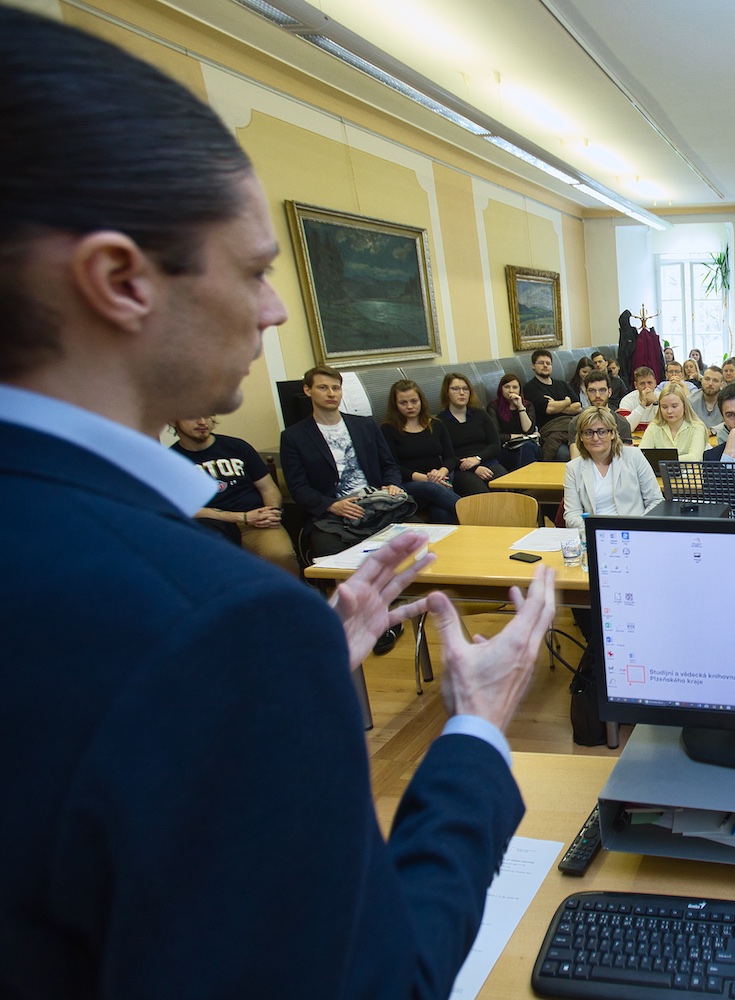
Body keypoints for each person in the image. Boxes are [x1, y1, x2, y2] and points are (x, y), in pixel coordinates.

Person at [0, 10, 554, 994]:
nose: (276, 311)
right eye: (255, 269)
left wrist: (288, 690)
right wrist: (472, 725)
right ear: (120, 280)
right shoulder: (224, 632)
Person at [283, 366, 415, 558]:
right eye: (323, 388)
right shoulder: (293, 437)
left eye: (336, 388)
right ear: (307, 390)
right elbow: (298, 488)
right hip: (333, 514)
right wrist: (331, 505)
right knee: (329, 553)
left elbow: (389, 465)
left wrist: (392, 485)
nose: (331, 394)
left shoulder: (365, 425)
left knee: (421, 537)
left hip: (377, 504)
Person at [169, 415, 298, 576]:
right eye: (193, 416)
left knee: (280, 555)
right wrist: (241, 517)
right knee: (215, 566)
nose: (202, 422)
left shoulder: (237, 447)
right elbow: (184, 508)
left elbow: (268, 488)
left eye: (207, 415)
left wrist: (270, 512)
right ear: (173, 420)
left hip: (256, 522)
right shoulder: (169, 460)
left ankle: (293, 599)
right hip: (211, 526)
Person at [561, 406, 664, 527]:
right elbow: (572, 515)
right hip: (595, 534)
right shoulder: (573, 468)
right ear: (581, 437)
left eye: (602, 431)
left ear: (613, 434)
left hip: (634, 531)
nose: (595, 438)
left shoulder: (634, 456)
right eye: (588, 432)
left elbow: (656, 501)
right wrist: (594, 531)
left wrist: (637, 527)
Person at [381, 380, 460, 524]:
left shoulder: (436, 424)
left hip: (439, 477)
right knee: (431, 488)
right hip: (411, 483)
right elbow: (392, 466)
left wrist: (440, 473)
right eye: (403, 403)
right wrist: (426, 479)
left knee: (442, 511)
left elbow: (451, 458)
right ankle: (477, 516)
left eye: (414, 401)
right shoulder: (388, 429)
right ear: (395, 405)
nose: (410, 406)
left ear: (421, 401)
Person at [437, 372, 507, 492]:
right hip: (460, 468)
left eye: (465, 389)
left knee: (505, 486)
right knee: (480, 493)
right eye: (455, 389)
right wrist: (473, 468)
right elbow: (446, 455)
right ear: (446, 392)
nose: (462, 393)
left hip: (487, 461)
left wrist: (477, 458)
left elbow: (495, 445)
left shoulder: (480, 414)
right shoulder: (440, 421)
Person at [568, 371, 632, 459]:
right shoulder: (576, 422)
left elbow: (625, 460)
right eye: (592, 391)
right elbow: (575, 459)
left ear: (609, 392)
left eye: (602, 390)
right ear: (586, 393)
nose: (597, 395)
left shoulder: (622, 423)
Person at [639, 381, 708, 461]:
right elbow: (641, 455)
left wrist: (660, 461)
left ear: (684, 405)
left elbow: (694, 458)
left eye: (674, 406)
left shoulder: (697, 427)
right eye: (664, 407)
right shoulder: (654, 426)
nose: (669, 411)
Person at [490, 372, 543, 465]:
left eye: (515, 387)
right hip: (506, 448)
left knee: (528, 448)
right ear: (501, 389)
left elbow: (528, 430)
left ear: (519, 390)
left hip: (526, 446)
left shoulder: (528, 405)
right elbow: (496, 435)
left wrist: (520, 407)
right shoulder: (493, 406)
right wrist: (519, 436)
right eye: (507, 387)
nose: (511, 390)